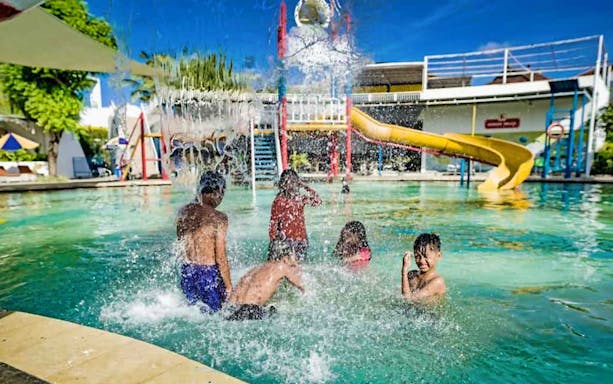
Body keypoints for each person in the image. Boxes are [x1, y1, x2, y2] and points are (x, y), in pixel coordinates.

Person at [176, 171, 232, 312]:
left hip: (187, 271)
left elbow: (180, 243)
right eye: (222, 193)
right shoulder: (219, 218)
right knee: (217, 315)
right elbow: (220, 256)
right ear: (216, 192)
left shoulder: (184, 212)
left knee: (192, 312)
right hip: (208, 274)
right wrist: (229, 286)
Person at [226, 243, 305, 321]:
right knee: (274, 312)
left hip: (232, 309)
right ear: (285, 258)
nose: (296, 259)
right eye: (294, 256)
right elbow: (302, 287)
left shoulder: (256, 268)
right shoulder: (282, 267)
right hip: (251, 310)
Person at [268, 169, 321, 261]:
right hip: (285, 240)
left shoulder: (300, 199)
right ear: (283, 184)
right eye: (289, 182)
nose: (292, 185)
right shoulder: (279, 201)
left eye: (294, 181)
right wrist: (273, 241)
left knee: (298, 267)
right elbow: (273, 222)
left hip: (301, 239)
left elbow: (318, 201)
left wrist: (306, 186)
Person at [401, 233, 446, 303]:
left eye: (426, 256)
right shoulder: (412, 275)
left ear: (438, 256)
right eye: (417, 256)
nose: (422, 261)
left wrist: (404, 271)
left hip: (430, 314)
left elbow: (408, 300)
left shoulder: (437, 281)